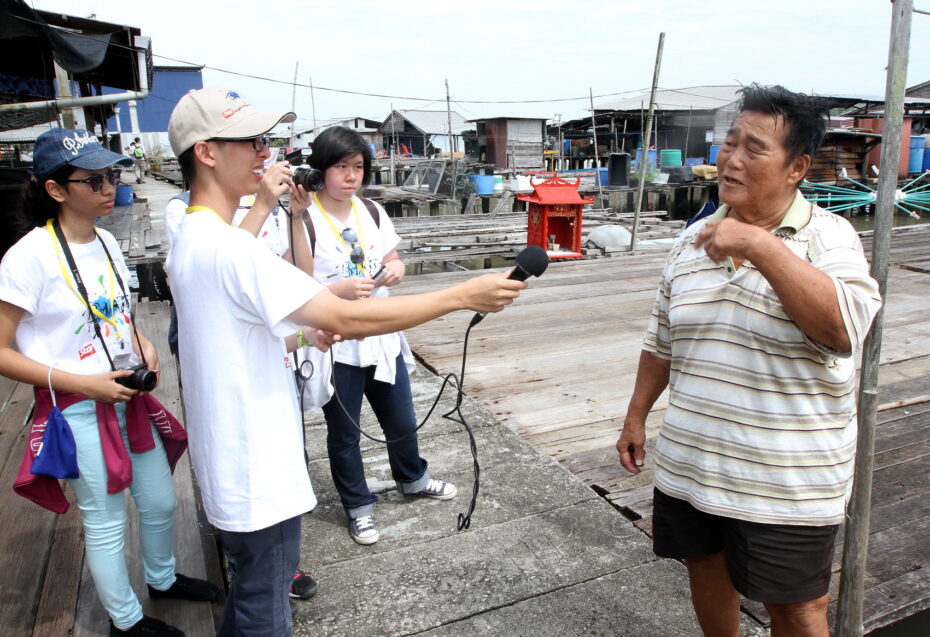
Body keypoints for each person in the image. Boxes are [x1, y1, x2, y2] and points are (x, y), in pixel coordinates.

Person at [166, 86, 524, 636]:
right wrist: (462, 296)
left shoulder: (194, 237)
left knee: (252, 596)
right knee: (265, 611)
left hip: (230, 461)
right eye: (252, 141)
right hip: (256, 469)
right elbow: (348, 317)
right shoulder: (231, 248)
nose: (266, 154)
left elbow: (233, 337)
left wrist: (301, 339)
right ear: (207, 153)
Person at [615, 84, 882, 637]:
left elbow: (841, 330)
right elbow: (662, 339)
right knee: (706, 573)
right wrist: (637, 415)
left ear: (797, 167)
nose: (731, 159)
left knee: (799, 609)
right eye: (728, 143)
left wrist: (759, 246)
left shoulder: (830, 239)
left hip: (786, 482)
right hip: (693, 465)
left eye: (754, 148)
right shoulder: (689, 242)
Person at [0, 128, 217, 637]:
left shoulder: (104, 241)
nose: (109, 185)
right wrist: (82, 382)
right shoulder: (26, 258)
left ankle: (161, 578)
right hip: (76, 403)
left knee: (160, 499)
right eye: (94, 178)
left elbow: (116, 313)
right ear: (56, 190)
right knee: (104, 518)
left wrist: (141, 342)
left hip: (125, 393)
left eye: (112, 174)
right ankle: (125, 620)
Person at [299, 126, 456, 545]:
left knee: (401, 418)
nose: (350, 176)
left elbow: (390, 257)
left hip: (382, 335)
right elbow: (292, 286)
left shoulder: (371, 211)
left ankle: (413, 478)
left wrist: (398, 269)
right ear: (321, 168)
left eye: (357, 167)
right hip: (336, 341)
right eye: (340, 167)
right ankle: (358, 506)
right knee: (345, 433)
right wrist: (336, 291)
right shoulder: (304, 217)